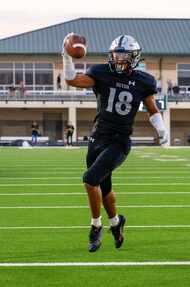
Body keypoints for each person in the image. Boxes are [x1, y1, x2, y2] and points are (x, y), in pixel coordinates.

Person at [63, 34, 168, 252]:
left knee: (90, 179)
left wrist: (162, 130)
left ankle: (95, 226)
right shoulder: (101, 72)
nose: (119, 59)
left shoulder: (144, 81)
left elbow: (152, 108)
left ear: (134, 57)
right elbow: (72, 80)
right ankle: (116, 223)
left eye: (124, 55)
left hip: (119, 141)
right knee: (105, 187)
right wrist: (66, 56)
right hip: (97, 137)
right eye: (116, 54)